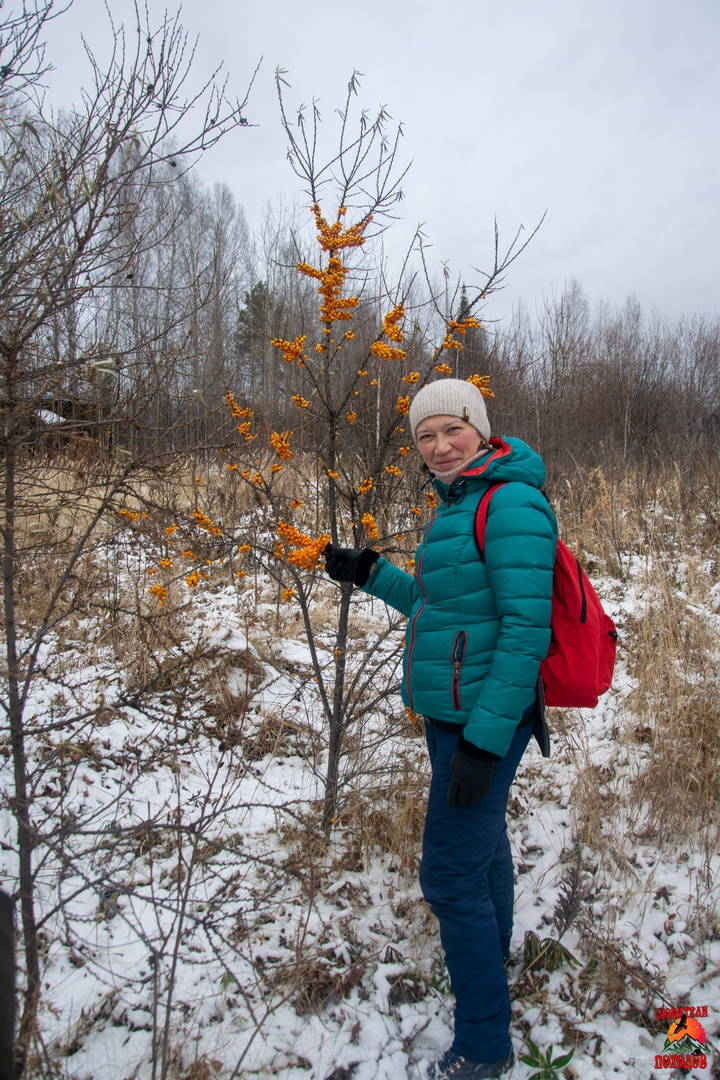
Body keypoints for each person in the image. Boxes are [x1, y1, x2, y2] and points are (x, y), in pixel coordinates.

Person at [324, 379, 557, 1079]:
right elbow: (441, 604)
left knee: (449, 877)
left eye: (452, 430)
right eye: (426, 437)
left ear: (480, 430)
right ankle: (497, 952)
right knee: (481, 851)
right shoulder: (460, 502)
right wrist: (370, 573)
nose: (439, 446)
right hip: (453, 717)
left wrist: (485, 740)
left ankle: (486, 1045)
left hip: (483, 723)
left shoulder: (510, 501)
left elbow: (524, 631)